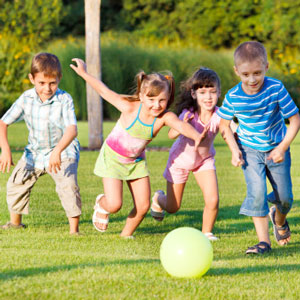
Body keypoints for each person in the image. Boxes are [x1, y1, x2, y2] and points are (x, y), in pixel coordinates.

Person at [70, 58, 207, 238]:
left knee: (142, 206)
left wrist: (197, 136)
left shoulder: (164, 117)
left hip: (136, 162)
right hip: (112, 158)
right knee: (115, 204)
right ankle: (102, 204)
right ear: (142, 96)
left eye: (162, 100)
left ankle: (125, 236)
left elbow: (180, 125)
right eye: (151, 99)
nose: (156, 105)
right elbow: (104, 91)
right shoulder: (129, 107)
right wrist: (84, 73)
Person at [217, 41, 300, 254]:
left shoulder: (275, 88)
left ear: (266, 67)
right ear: (237, 71)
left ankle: (278, 220)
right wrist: (235, 150)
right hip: (249, 151)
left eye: (257, 73)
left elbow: (295, 119)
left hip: (276, 149)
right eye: (245, 74)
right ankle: (264, 242)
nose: (252, 79)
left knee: (285, 198)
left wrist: (282, 148)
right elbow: (223, 124)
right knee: (257, 193)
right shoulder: (233, 96)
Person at [0, 52, 81, 234]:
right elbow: (3, 122)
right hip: (35, 152)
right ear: (32, 79)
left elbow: (72, 130)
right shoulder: (26, 98)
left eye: (52, 83)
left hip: (63, 150)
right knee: (16, 182)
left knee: (68, 185)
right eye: (42, 83)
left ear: (59, 78)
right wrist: (5, 149)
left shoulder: (64, 99)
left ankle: (74, 231)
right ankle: (15, 223)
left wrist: (58, 151)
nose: (47, 88)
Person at [150, 67, 232, 241]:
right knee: (173, 207)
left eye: (212, 92)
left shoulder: (220, 114)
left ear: (219, 93)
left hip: (204, 161)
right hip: (179, 161)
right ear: (194, 94)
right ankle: (158, 198)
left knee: (213, 200)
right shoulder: (188, 114)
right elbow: (171, 134)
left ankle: (206, 233)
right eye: (203, 92)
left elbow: (228, 131)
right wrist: (181, 125)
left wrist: (237, 147)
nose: (208, 97)